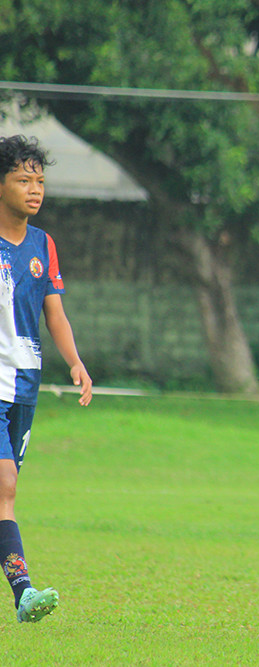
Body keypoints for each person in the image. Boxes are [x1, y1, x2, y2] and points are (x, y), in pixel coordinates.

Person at [0, 135, 93, 623]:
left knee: (5, 489)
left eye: (39, 180)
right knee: (5, 485)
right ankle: (23, 592)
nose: (35, 190)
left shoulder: (43, 244)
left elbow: (54, 312)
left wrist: (74, 361)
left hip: (25, 382)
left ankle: (20, 594)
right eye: (22, 179)